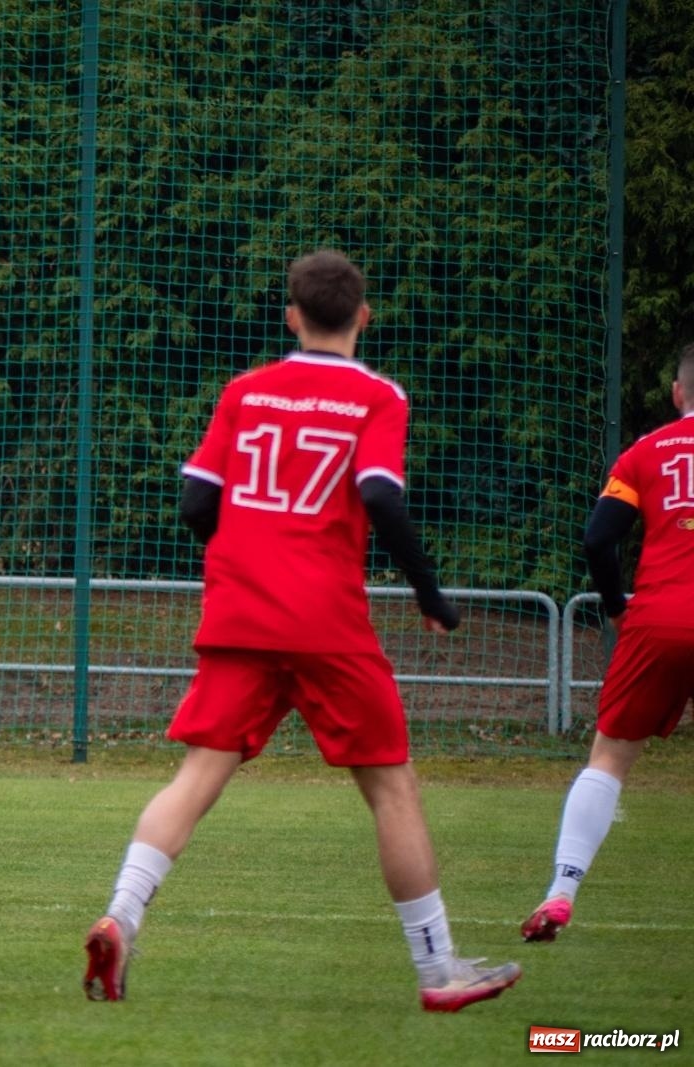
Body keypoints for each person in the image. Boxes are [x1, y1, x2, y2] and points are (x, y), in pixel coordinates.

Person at [80, 251, 520, 1011]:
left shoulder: (245, 390)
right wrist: (430, 591)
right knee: (391, 789)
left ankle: (122, 915)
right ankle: (439, 968)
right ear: (363, 317)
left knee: (197, 775)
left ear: (291, 316)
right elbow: (380, 495)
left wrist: (246, 552)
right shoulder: (378, 396)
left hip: (240, 612)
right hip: (326, 619)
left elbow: (194, 505)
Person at [522, 343, 694, 942]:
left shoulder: (645, 453)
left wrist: (618, 608)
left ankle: (561, 892)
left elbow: (599, 540)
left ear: (678, 394)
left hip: (661, 618)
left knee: (610, 758)